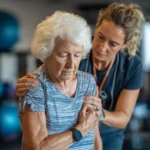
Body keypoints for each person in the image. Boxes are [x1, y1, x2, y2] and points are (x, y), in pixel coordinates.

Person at [16, 3, 145, 150]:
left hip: (110, 136)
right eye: (100, 37)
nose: (102, 48)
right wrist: (27, 84)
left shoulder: (131, 66)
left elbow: (122, 118)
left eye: (113, 44)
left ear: (124, 45)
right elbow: (48, 70)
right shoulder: (77, 45)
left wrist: (96, 114)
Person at [18, 11, 103, 150]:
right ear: (46, 53)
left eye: (77, 55)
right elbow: (38, 147)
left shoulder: (88, 82)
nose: (71, 64)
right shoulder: (35, 87)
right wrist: (80, 130)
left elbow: (95, 136)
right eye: (64, 55)